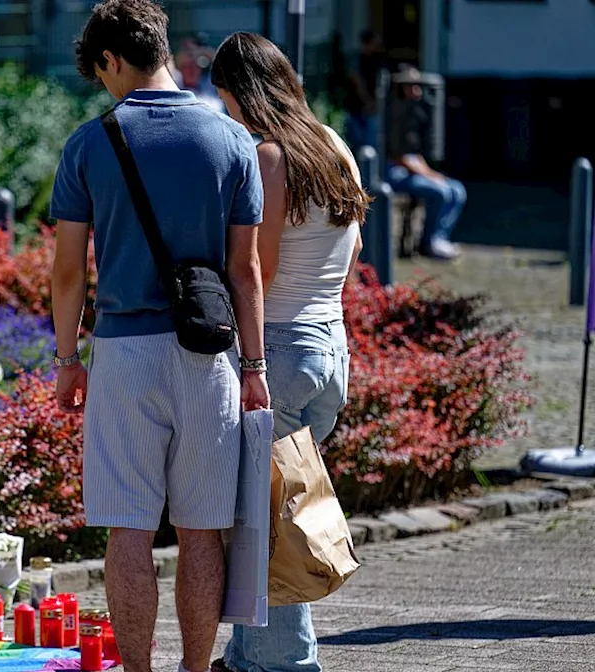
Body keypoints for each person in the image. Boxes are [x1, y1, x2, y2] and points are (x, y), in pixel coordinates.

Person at [48, 3, 269, 672]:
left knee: (130, 531)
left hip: (123, 353)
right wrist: (254, 366)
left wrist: (66, 360)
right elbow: (246, 272)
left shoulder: (90, 144)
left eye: (101, 74)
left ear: (113, 60)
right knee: (204, 532)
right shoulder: (232, 139)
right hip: (211, 355)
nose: (104, 87)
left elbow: (66, 274)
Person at [208, 31, 369, 672]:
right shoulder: (334, 145)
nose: (226, 113)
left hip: (280, 348)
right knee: (273, 510)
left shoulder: (270, 158)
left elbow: (260, 270)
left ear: (243, 94)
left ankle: (287, 664)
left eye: (225, 99)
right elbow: (352, 252)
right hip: (330, 348)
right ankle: (246, 657)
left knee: (271, 523)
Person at [386, 67, 465, 260]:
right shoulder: (392, 115)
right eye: (413, 86)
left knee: (457, 190)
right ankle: (429, 242)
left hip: (413, 170)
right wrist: (429, 176)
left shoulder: (412, 113)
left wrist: (432, 174)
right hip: (394, 173)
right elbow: (399, 157)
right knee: (441, 192)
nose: (418, 91)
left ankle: (440, 237)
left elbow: (414, 154)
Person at [344, 29, 385, 151]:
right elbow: (357, 81)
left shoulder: (376, 60)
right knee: (362, 145)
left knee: (369, 145)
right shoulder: (357, 60)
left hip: (367, 108)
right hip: (358, 107)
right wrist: (368, 102)